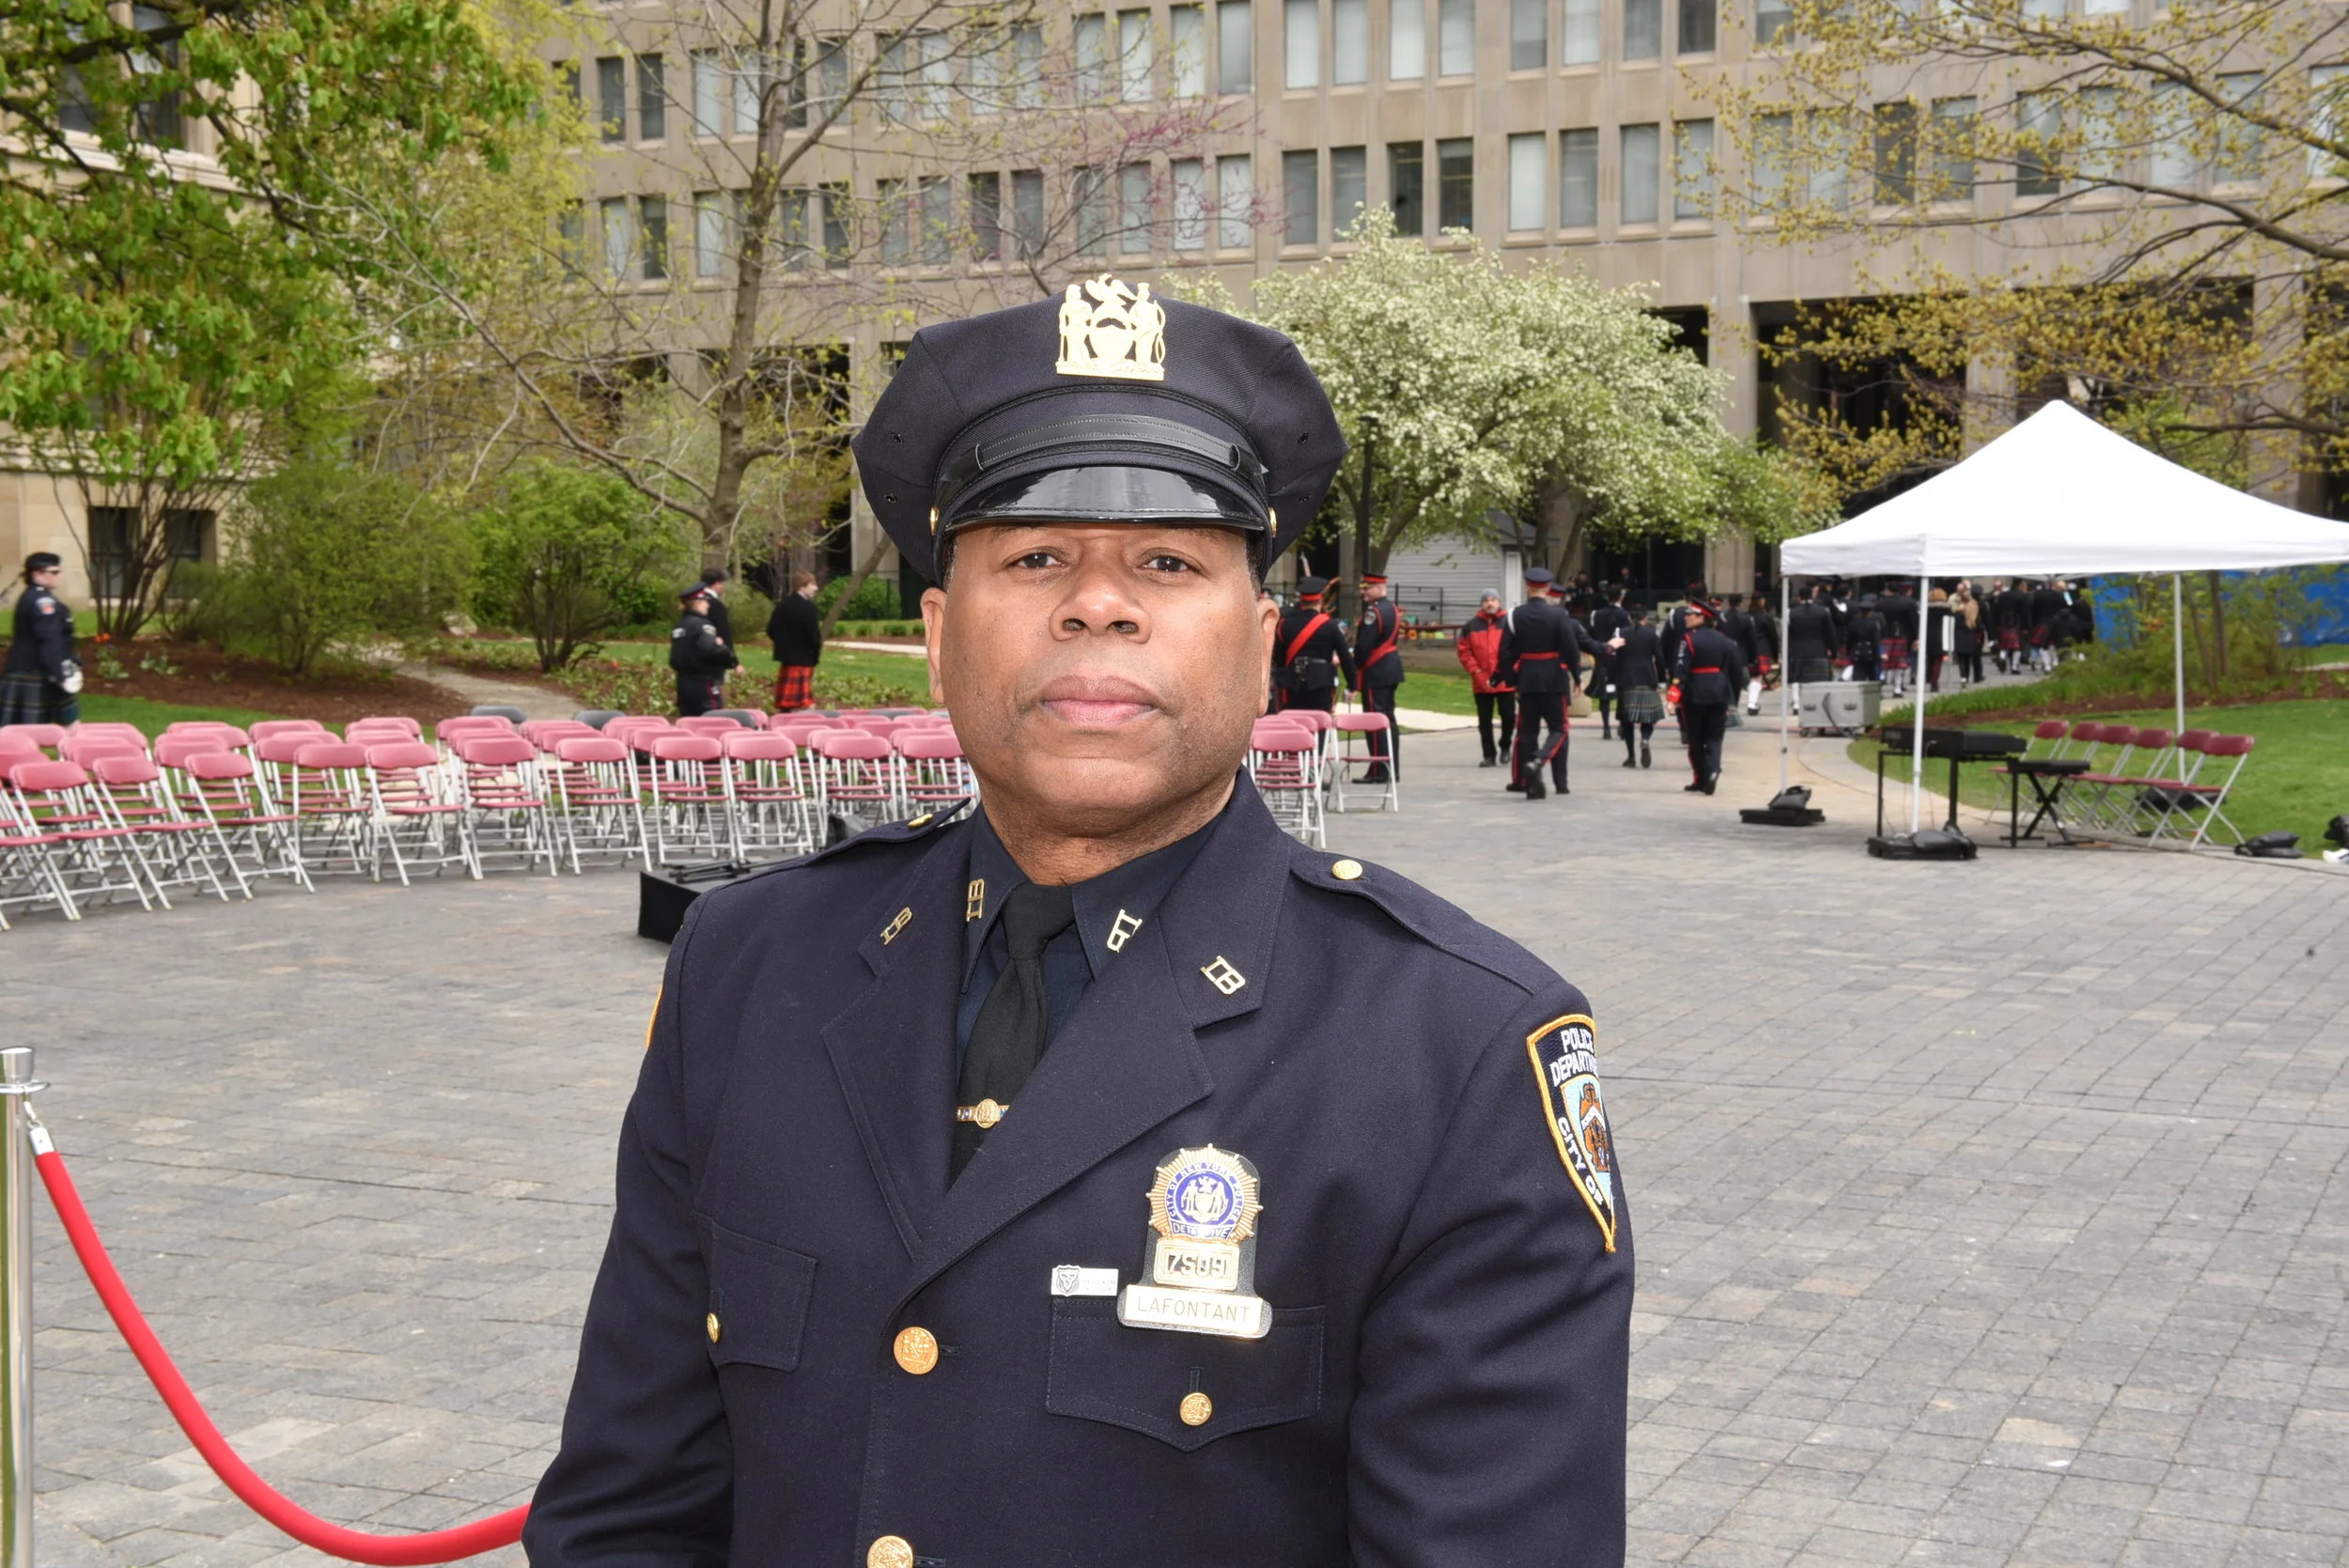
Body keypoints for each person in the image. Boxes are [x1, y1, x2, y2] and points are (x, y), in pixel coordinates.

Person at [523, 278, 1631, 1568]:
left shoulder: (1458, 1053)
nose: (1098, 604)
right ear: (939, 636)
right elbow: (629, 1515)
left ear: (1262, 639)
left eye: (1168, 561)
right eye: (1035, 557)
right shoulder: (750, 967)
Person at [1495, 567, 1579, 800]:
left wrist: (1510, 679)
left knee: (1527, 731)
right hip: (1553, 677)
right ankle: (1539, 760)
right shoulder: (1559, 615)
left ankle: (1528, 784)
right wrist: (1577, 675)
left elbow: (1505, 653)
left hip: (1527, 678)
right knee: (1559, 728)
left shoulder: (1513, 615)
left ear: (1527, 587)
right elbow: (1570, 649)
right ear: (1547, 589)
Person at [1672, 603, 1747, 796]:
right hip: (1719, 690)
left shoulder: (1688, 639)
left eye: (1691, 615)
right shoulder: (1725, 641)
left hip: (1695, 692)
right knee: (1714, 737)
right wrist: (1733, 698)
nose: (1686, 617)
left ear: (1701, 618)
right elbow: (1736, 671)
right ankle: (1713, 769)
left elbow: (1682, 668)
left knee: (1695, 737)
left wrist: (1675, 693)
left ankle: (1701, 777)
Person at [1, 552, 80, 727]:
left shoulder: (37, 597)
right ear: (37, 575)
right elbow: (49, 639)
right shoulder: (41, 601)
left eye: (59, 571)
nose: (59, 576)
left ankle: (66, 754)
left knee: (69, 725)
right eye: (54, 572)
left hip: (38, 669)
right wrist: (58, 674)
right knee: (28, 731)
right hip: (35, 670)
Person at [1270, 575, 1355, 713]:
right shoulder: (1330, 626)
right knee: (1319, 725)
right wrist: (1352, 685)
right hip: (1321, 685)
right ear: (1320, 599)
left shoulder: (1285, 625)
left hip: (1291, 684)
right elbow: (1346, 658)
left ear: (1301, 600)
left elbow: (1278, 657)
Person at [1454, 589, 1516, 767]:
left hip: (1505, 680)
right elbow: (1464, 652)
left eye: (1493, 600)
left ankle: (1505, 745)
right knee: (1484, 719)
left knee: (1509, 716)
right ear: (1481, 604)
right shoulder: (1471, 626)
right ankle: (1489, 755)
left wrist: (1510, 671)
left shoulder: (1509, 624)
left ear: (1499, 602)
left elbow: (1516, 649)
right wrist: (1477, 673)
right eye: (1486, 600)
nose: (1490, 603)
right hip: (1481, 681)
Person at [1352, 572, 1404, 782]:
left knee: (1375, 720)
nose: (1363, 591)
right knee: (1389, 720)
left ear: (1379, 588)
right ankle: (1392, 768)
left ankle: (1379, 770)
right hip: (1390, 668)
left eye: (1368, 587)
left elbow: (1365, 645)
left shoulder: (1373, 613)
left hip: (1376, 670)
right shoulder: (1391, 608)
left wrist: (1354, 664)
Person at [1611, 605, 1667, 769]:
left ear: (1629, 618)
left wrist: (1611, 681)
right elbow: (1660, 658)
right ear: (1645, 618)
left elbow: (1613, 658)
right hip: (1647, 678)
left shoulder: (1620, 633)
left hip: (1626, 679)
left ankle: (1631, 757)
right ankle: (1645, 739)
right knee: (1648, 717)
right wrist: (1662, 679)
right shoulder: (1652, 634)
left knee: (1627, 720)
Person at [669, 584, 737, 717]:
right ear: (698, 603)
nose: (708, 605)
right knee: (711, 718)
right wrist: (725, 651)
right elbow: (710, 650)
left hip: (683, 682)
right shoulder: (703, 625)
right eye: (705, 602)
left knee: (688, 719)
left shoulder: (680, 626)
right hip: (704, 682)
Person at [766, 569, 825, 712]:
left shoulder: (782, 605)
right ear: (802, 586)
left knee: (785, 704)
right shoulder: (808, 607)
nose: (816, 588)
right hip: (804, 658)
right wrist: (815, 654)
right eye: (813, 584)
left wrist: (784, 644)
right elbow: (814, 636)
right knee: (805, 703)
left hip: (787, 659)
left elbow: (771, 630)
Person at [1588, 587, 1631, 742]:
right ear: (1621, 597)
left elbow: (1591, 635)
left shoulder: (1596, 614)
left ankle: (1606, 727)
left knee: (1603, 695)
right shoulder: (1626, 616)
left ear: (1607, 597)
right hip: (1620, 657)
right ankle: (1621, 724)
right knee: (1621, 692)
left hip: (1602, 656)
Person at [1785, 583, 1840, 689]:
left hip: (1797, 652)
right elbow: (1830, 633)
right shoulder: (1823, 611)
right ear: (1812, 596)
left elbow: (1788, 635)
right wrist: (1834, 653)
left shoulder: (1791, 613)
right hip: (1819, 651)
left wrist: (1787, 653)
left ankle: (1797, 703)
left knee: (1798, 680)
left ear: (1799, 598)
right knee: (1819, 683)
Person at [1745, 590, 1779, 714]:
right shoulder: (1766, 617)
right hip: (1762, 650)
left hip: (1748, 651)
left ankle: (1753, 703)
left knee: (1754, 677)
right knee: (1757, 678)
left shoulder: (1747, 617)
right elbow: (1773, 637)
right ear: (1762, 601)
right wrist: (1775, 655)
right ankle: (1752, 703)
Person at [1952, 583, 1986, 688]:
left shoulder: (1958, 611)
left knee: (1961, 659)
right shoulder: (1974, 611)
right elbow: (1979, 624)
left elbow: (1955, 624)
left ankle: (1963, 677)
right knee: (1968, 658)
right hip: (1971, 636)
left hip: (1959, 636)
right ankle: (1969, 675)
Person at [1846, 595, 1885, 685]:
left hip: (1857, 652)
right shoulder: (1873, 624)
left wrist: (1849, 652)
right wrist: (1878, 655)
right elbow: (1876, 640)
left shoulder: (1854, 623)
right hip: (1871, 652)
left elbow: (1850, 639)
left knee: (1858, 677)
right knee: (1873, 678)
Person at [1923, 585, 1953, 692]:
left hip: (1928, 636)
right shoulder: (1947, 609)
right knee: (1938, 661)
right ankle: (1934, 682)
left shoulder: (1926, 609)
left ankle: (1929, 679)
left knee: (1929, 659)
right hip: (1942, 636)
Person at [697, 566, 734, 645]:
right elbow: (723, 632)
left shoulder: (695, 601)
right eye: (723, 583)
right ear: (717, 584)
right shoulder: (716, 605)